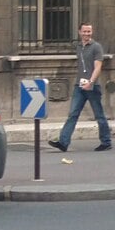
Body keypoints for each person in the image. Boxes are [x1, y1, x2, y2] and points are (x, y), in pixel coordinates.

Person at [48, 22, 112, 152]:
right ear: (79, 32)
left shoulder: (96, 47)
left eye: (89, 31)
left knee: (99, 115)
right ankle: (63, 142)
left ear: (91, 32)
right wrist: (84, 83)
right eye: (85, 31)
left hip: (93, 86)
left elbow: (98, 67)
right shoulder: (78, 47)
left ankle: (106, 141)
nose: (87, 34)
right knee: (73, 114)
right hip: (79, 85)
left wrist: (91, 82)